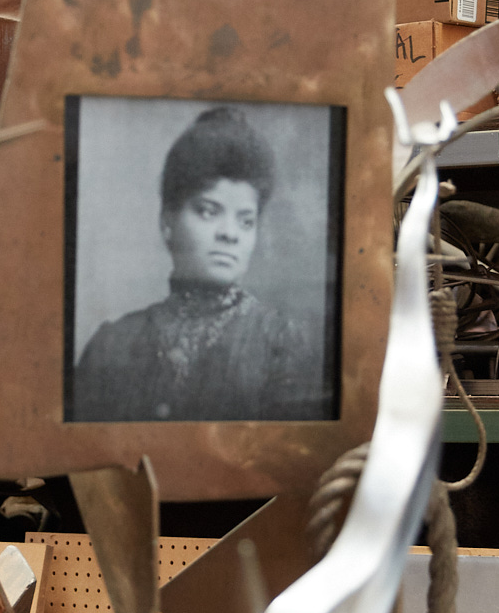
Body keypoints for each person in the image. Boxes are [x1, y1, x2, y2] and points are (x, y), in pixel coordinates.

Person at [69, 105, 331, 423]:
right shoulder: (111, 347)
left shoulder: (282, 345)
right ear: (167, 222)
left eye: (246, 221)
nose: (229, 234)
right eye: (208, 211)